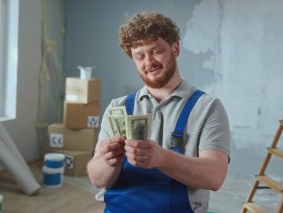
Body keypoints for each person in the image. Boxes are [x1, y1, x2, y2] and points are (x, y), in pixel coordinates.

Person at [87, 11, 230, 213]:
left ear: (175, 48)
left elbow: (215, 177)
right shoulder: (117, 108)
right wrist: (108, 161)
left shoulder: (208, 108)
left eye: (157, 51)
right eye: (140, 56)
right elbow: (96, 178)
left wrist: (162, 158)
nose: (149, 61)